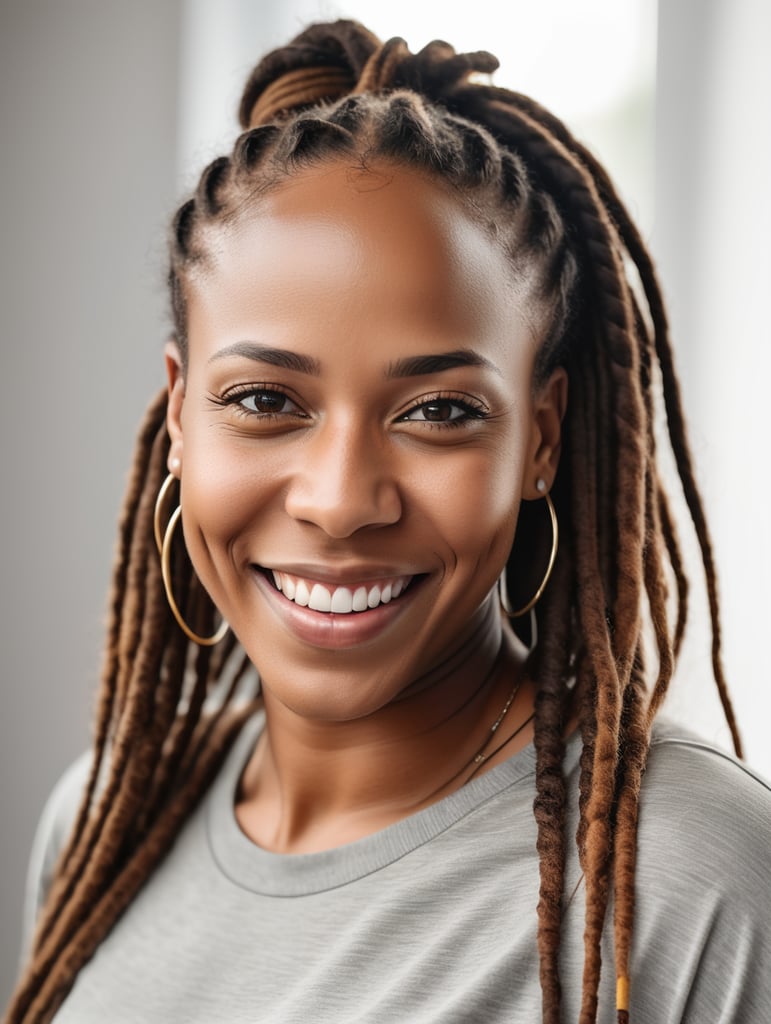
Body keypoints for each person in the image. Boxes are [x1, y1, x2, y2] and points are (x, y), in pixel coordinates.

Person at [7, 19, 771, 1024]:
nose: (339, 499)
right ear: (180, 415)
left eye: (439, 412)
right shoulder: (104, 817)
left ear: (540, 439)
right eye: (266, 399)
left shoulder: (687, 878)